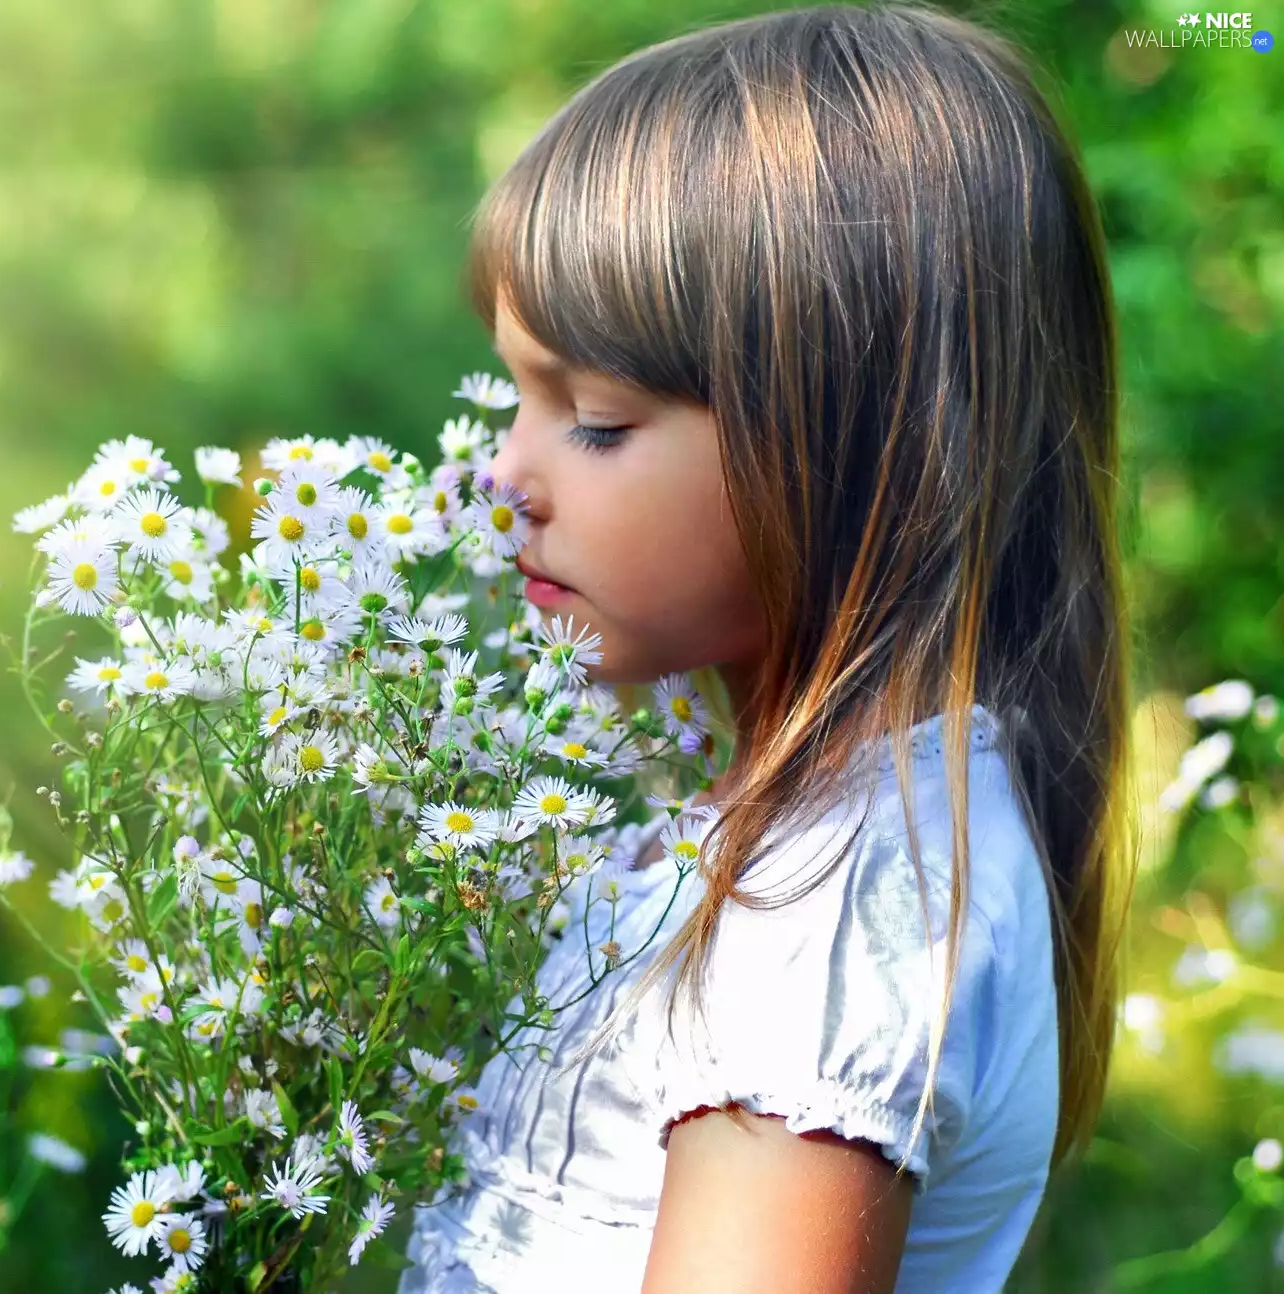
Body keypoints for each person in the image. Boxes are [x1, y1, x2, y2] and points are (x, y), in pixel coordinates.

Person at [398, 4, 1134, 1290]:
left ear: (855, 448)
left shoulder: (835, 906)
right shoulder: (798, 841)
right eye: (519, 395)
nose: (501, 474)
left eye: (599, 418)